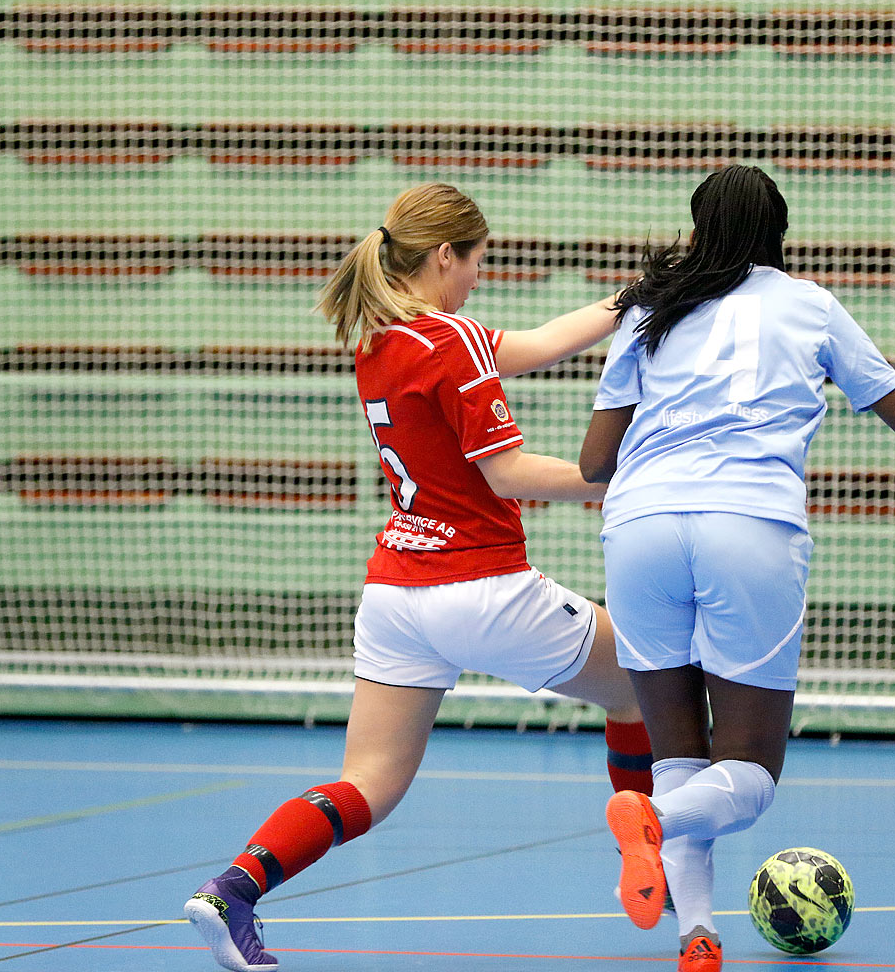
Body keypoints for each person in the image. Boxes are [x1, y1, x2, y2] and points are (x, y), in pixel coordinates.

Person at [184, 182, 653, 971]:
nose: (478, 277)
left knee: (366, 785)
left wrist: (635, 296)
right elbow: (505, 475)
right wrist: (613, 477)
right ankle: (653, 857)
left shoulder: (381, 338)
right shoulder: (453, 338)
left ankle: (233, 889)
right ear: (444, 256)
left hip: (396, 595)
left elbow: (538, 342)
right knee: (642, 683)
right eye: (476, 262)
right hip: (483, 589)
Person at [580, 165, 895, 971]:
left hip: (642, 527)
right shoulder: (808, 303)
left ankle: (698, 935)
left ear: (695, 230)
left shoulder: (651, 306)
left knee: (680, 763)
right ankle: (651, 822)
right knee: (747, 775)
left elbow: (594, 462)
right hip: (749, 527)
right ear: (780, 234)